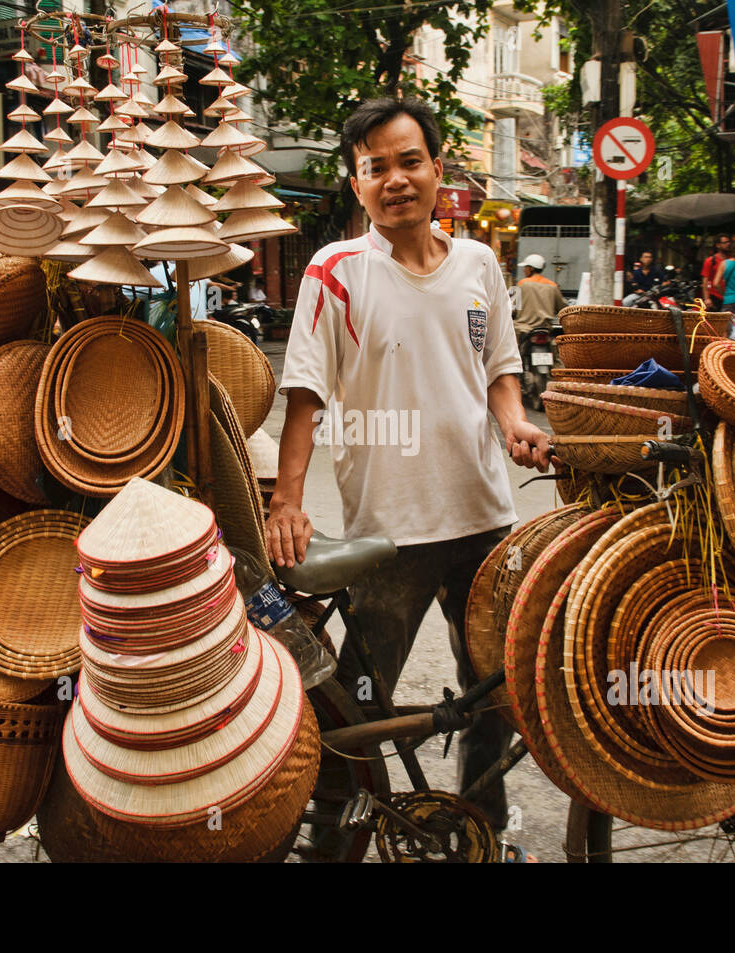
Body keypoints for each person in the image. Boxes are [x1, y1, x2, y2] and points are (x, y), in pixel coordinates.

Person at [267, 96, 550, 831]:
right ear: (355, 183)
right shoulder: (336, 271)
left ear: (437, 167)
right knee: (361, 704)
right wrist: (287, 500)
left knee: (493, 691)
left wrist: (515, 422)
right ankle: (340, 833)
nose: (395, 179)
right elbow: (303, 394)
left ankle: (476, 830)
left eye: (408, 161)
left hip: (486, 520)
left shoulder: (480, 264)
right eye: (375, 168)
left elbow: (499, 369)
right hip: (389, 532)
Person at [513, 252, 567, 338]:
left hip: (523, 330)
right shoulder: (553, 285)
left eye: (526, 267)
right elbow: (563, 308)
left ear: (531, 268)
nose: (524, 270)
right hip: (545, 330)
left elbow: (512, 308)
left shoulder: (521, 283)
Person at [701, 234, 731, 308]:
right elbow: (705, 282)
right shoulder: (710, 261)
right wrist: (707, 298)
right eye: (725, 242)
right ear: (718, 245)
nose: (728, 244)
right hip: (715, 297)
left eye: (729, 242)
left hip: (731, 296)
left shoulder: (732, 260)